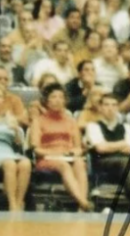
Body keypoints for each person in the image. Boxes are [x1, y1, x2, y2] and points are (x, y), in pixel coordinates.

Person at [29, 83, 91, 211]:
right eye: (53, 97)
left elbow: (78, 147)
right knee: (63, 165)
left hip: (68, 156)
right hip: (47, 158)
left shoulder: (71, 121)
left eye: (61, 97)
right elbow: (35, 148)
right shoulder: (38, 121)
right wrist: (55, 154)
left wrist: (74, 152)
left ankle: (81, 207)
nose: (57, 100)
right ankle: (83, 202)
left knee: (79, 163)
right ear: (46, 101)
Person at [0, 82, 32, 211]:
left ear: (4, 100)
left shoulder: (10, 119)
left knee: (25, 163)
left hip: (8, 150)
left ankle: (19, 201)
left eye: (0, 96)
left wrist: (15, 129)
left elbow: (19, 143)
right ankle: (11, 204)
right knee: (10, 163)